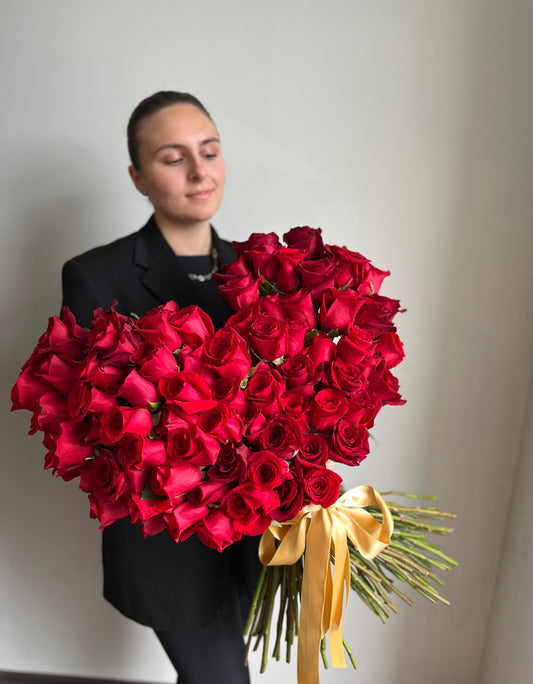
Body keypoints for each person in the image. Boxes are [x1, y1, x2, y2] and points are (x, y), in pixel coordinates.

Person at [61, 91, 262, 684]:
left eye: (210, 151)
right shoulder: (97, 275)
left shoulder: (262, 274)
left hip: (256, 529)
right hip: (167, 539)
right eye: (173, 158)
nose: (200, 171)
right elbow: (93, 426)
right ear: (138, 177)